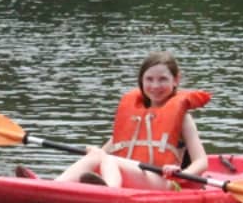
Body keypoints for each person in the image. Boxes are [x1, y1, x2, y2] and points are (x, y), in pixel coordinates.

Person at [56, 51, 209, 189]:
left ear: (175, 80)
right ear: (141, 81)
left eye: (162, 79)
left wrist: (181, 173)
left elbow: (202, 161)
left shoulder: (183, 118)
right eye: (149, 79)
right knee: (96, 156)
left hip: (162, 181)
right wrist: (95, 151)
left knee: (109, 160)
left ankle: (110, 191)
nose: (155, 85)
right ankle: (55, 185)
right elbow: (107, 149)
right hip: (134, 174)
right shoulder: (134, 116)